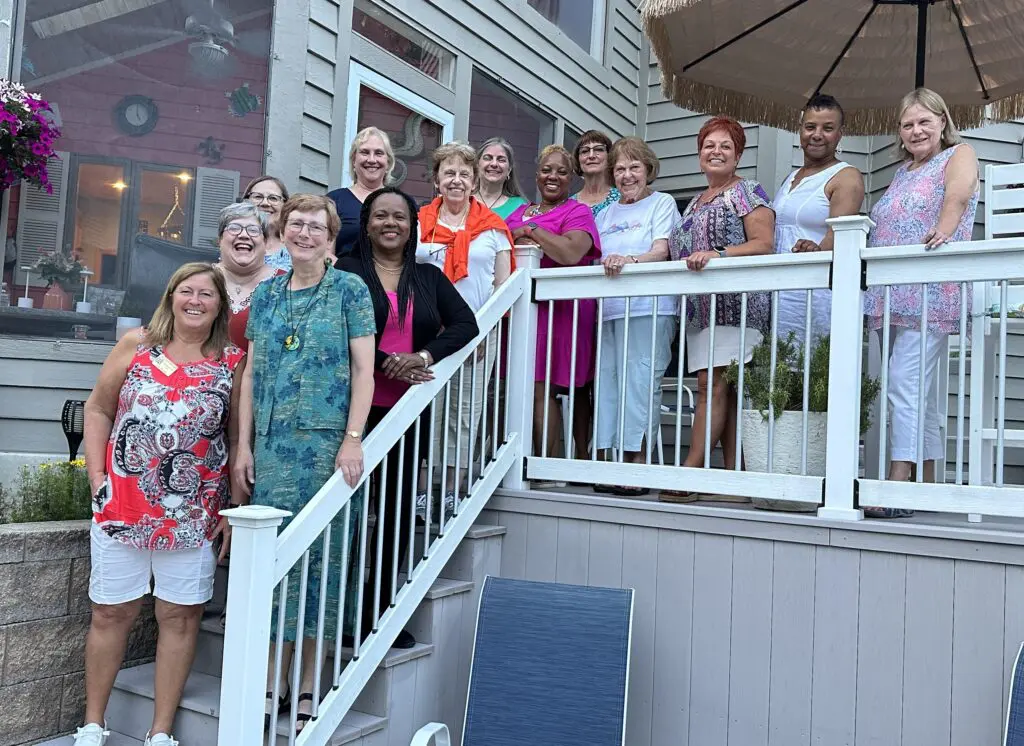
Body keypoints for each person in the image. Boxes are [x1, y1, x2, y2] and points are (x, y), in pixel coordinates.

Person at [77, 263, 244, 746]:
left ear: (219, 305)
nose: (195, 300)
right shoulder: (137, 344)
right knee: (111, 613)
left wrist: (233, 507)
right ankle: (92, 725)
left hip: (195, 516)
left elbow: (237, 441)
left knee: (180, 616)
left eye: (206, 294)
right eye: (186, 291)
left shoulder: (233, 362)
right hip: (122, 507)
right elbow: (99, 407)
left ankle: (161, 732)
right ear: (171, 296)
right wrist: (96, 479)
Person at [234, 194, 376, 732]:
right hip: (271, 447)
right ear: (283, 230)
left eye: (317, 227)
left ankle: (312, 681)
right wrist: (244, 446)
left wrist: (353, 438)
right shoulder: (267, 295)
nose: (306, 234)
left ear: (331, 236)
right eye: (297, 225)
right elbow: (249, 374)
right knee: (276, 562)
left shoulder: (349, 290)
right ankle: (274, 678)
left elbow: (364, 371)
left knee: (325, 561)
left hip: (326, 448)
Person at [337, 187, 478, 648]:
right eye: (381, 216)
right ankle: (338, 612)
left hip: (408, 410)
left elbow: (466, 325)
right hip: (356, 409)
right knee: (353, 513)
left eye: (400, 216)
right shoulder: (347, 272)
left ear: (412, 225)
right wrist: (384, 362)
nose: (390, 223)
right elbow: (337, 330)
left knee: (397, 515)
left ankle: (377, 615)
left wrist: (421, 355)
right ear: (367, 222)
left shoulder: (429, 277)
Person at [863, 88, 979, 515]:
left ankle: (899, 484)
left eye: (924, 121)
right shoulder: (903, 171)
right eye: (908, 124)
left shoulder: (959, 154)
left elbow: (959, 195)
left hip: (929, 286)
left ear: (943, 122)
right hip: (891, 291)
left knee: (903, 384)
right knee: (917, 392)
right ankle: (928, 481)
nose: (916, 130)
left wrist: (945, 229)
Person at [663, 116, 775, 502]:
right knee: (720, 388)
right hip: (701, 310)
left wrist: (720, 254)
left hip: (736, 305)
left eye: (725, 146)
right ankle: (735, 480)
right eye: (709, 146)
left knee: (713, 386)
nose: (716, 152)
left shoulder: (745, 192)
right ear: (699, 156)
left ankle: (691, 473)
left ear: (738, 154)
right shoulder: (696, 201)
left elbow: (763, 243)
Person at [418, 142, 514, 510]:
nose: (456, 180)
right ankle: (424, 491)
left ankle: (450, 492)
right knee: (431, 412)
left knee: (465, 411)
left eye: (464, 174)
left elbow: (503, 287)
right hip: (429, 335)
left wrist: (487, 332)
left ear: (474, 182)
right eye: (449, 173)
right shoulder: (420, 223)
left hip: (476, 333)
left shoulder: (494, 228)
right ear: (437, 181)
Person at [506, 145, 602, 464]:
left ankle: (545, 464)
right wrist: (528, 231)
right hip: (524, 312)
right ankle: (533, 461)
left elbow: (570, 253)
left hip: (564, 311)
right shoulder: (517, 212)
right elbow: (501, 246)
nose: (553, 176)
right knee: (528, 386)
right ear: (536, 175)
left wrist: (532, 231)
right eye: (547, 169)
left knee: (549, 386)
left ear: (572, 179)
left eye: (562, 171)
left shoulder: (577, 212)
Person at [596, 137, 680, 495]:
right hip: (610, 310)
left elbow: (661, 250)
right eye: (619, 169)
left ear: (648, 170)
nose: (627, 175)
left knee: (641, 385)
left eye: (634, 167)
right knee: (609, 386)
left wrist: (628, 262)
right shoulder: (606, 212)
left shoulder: (662, 203)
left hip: (650, 305)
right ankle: (609, 464)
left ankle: (637, 465)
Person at [774, 95, 865, 346]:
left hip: (815, 294)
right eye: (810, 126)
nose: (817, 134)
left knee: (808, 374)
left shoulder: (846, 176)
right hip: (779, 293)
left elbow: (839, 236)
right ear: (800, 130)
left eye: (827, 128)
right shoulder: (790, 178)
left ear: (839, 134)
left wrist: (817, 250)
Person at [214, 202, 281, 349]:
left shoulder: (287, 284)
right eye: (234, 228)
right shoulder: (198, 279)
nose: (244, 235)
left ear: (265, 242)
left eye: (253, 230)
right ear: (219, 240)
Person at [328, 126, 395, 258]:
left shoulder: (403, 204)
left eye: (379, 153)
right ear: (354, 160)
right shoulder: (333, 201)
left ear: (388, 162)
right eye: (364, 152)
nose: (371, 159)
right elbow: (324, 253)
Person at [243, 175, 291, 271]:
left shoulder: (294, 243)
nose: (265, 203)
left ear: (285, 205)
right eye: (258, 196)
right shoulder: (236, 240)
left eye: (273, 198)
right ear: (246, 201)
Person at [474, 136, 528, 220]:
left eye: (501, 160)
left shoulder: (520, 207)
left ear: (509, 170)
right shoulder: (463, 201)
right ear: (477, 165)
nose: (494, 164)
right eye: (488, 158)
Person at [572, 130, 621, 217]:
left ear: (610, 156)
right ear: (578, 159)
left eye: (598, 149)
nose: (591, 156)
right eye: (584, 151)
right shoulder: (569, 205)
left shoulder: (621, 199)